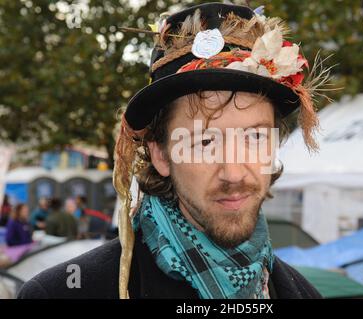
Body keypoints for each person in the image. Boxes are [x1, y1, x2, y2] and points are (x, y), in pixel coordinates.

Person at [18, 3, 323, 299]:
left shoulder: (301, 293)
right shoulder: (66, 292)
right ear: (161, 155)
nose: (233, 172)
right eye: (205, 142)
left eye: (254, 137)